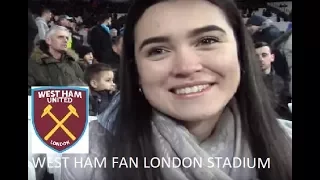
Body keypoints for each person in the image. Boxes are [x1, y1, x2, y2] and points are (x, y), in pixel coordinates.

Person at [61, 0, 292, 180]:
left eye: (208, 40)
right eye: (157, 50)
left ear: (241, 53)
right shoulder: (84, 157)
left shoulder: (287, 143)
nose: (186, 67)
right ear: (136, 71)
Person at [28, 26, 84, 94]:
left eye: (67, 38)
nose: (65, 40)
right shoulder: (33, 64)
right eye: (60, 37)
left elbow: (84, 88)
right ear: (49, 40)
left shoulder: (73, 63)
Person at [255, 42, 291, 120]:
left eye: (264, 55)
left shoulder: (281, 82)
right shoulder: (248, 82)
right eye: (256, 56)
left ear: (272, 57)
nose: (260, 59)